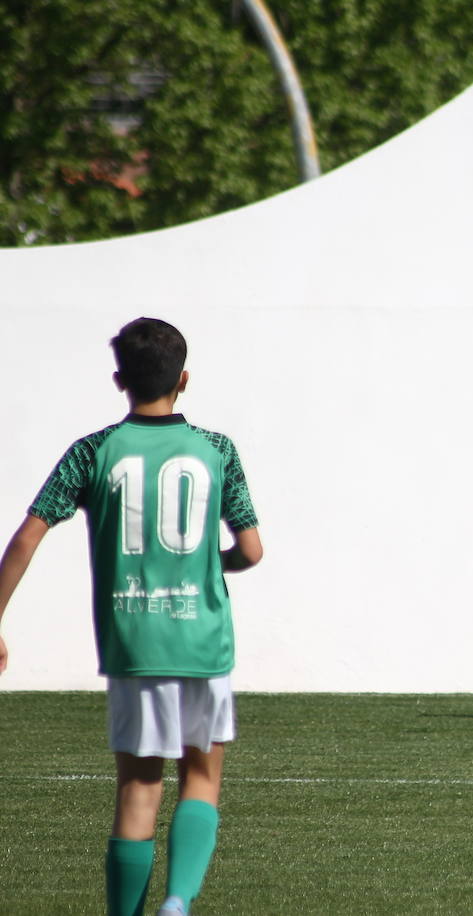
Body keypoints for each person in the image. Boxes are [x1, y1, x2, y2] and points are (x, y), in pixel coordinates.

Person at [0, 318, 262, 916]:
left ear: (119, 380)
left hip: (135, 642)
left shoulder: (93, 451)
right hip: (203, 640)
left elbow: (26, 537)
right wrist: (208, 563)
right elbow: (250, 550)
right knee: (201, 777)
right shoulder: (217, 450)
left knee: (139, 788)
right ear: (183, 379)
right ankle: (178, 899)